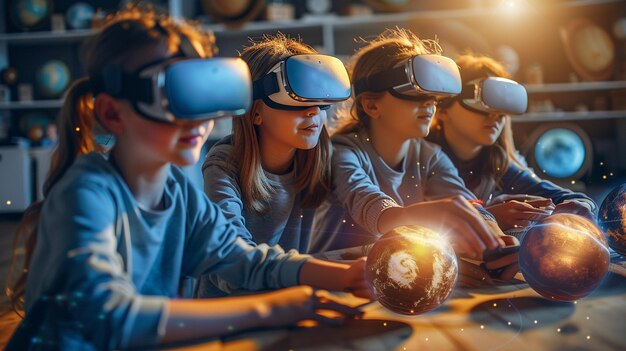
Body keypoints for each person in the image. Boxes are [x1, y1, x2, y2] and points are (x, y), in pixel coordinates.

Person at [5, 7, 370, 350]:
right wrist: (271, 309)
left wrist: (345, 276)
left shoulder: (177, 191)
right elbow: (105, 316)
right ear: (112, 114)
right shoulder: (87, 193)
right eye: (171, 95)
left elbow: (241, 259)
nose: (198, 119)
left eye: (201, 94)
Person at [311, 28, 518, 285]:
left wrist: (494, 236)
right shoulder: (343, 151)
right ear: (371, 106)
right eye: (413, 94)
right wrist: (424, 215)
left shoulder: (430, 155)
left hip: (395, 276)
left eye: (432, 95)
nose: (429, 103)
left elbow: (463, 200)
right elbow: (368, 202)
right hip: (334, 281)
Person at [427, 53, 597, 233]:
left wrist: (577, 207)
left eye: (500, 105)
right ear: (443, 109)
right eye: (480, 102)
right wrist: (490, 216)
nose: (495, 115)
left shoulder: (498, 165)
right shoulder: (422, 157)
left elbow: (572, 199)